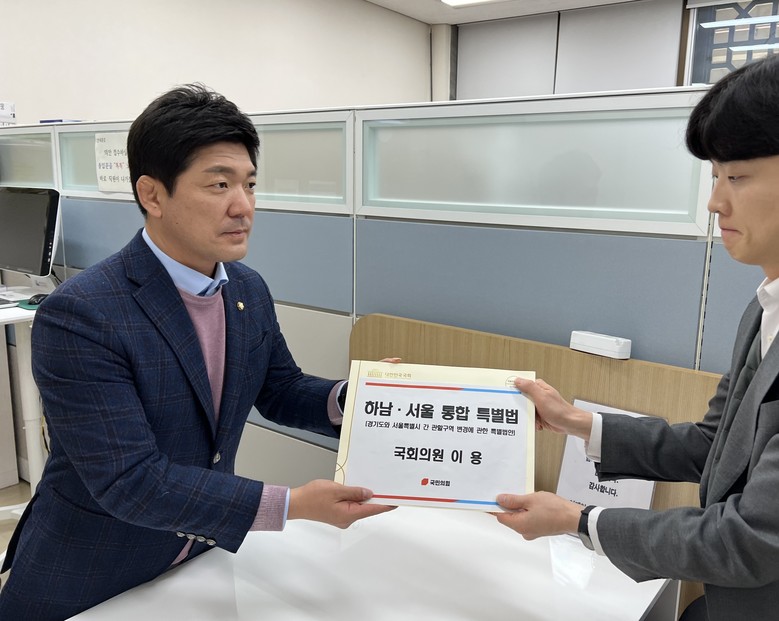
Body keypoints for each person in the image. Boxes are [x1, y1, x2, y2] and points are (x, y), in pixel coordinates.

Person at [0, 84, 392, 621]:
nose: (243, 206)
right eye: (219, 184)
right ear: (152, 195)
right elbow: (131, 481)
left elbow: (279, 390)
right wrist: (292, 505)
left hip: (198, 560)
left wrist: (362, 398)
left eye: (250, 184)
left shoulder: (246, 289)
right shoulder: (83, 314)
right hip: (92, 573)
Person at [493, 53, 779, 621]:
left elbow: (752, 537)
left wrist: (579, 520)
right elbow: (713, 446)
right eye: (714, 176)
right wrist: (576, 421)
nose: (715, 202)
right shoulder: (763, 307)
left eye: (737, 177)